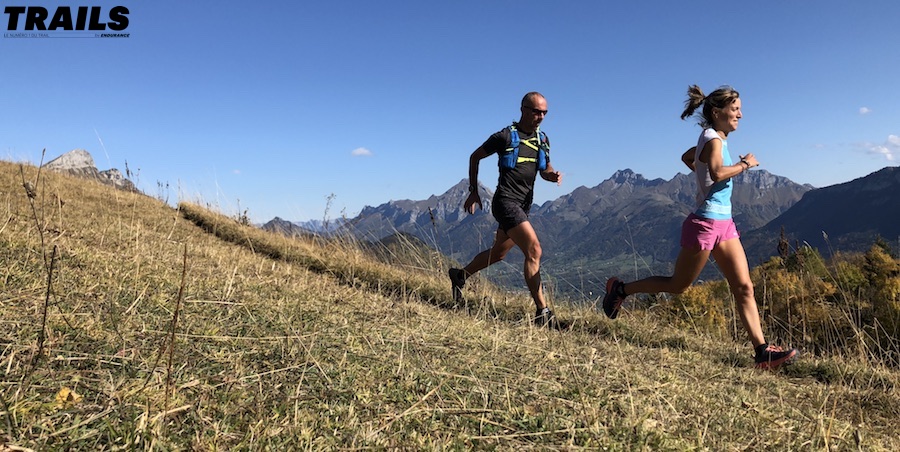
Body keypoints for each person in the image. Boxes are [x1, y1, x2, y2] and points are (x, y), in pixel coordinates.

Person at [602, 85, 799, 369]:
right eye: (735, 110)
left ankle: (762, 352)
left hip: (725, 224)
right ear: (717, 112)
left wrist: (703, 174)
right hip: (706, 223)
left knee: (744, 287)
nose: (740, 115)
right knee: (678, 285)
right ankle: (621, 289)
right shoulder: (715, 141)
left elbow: (689, 159)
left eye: (740, 110)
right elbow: (718, 172)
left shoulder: (713, 138)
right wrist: (744, 164)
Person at [448, 92, 563, 328]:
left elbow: (544, 167)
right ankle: (543, 313)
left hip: (523, 205)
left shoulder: (543, 139)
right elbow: (475, 156)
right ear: (523, 109)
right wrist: (473, 191)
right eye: (535, 111)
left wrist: (551, 175)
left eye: (544, 113)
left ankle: (460, 276)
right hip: (505, 202)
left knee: (498, 254)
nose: (540, 117)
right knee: (534, 250)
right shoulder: (504, 136)